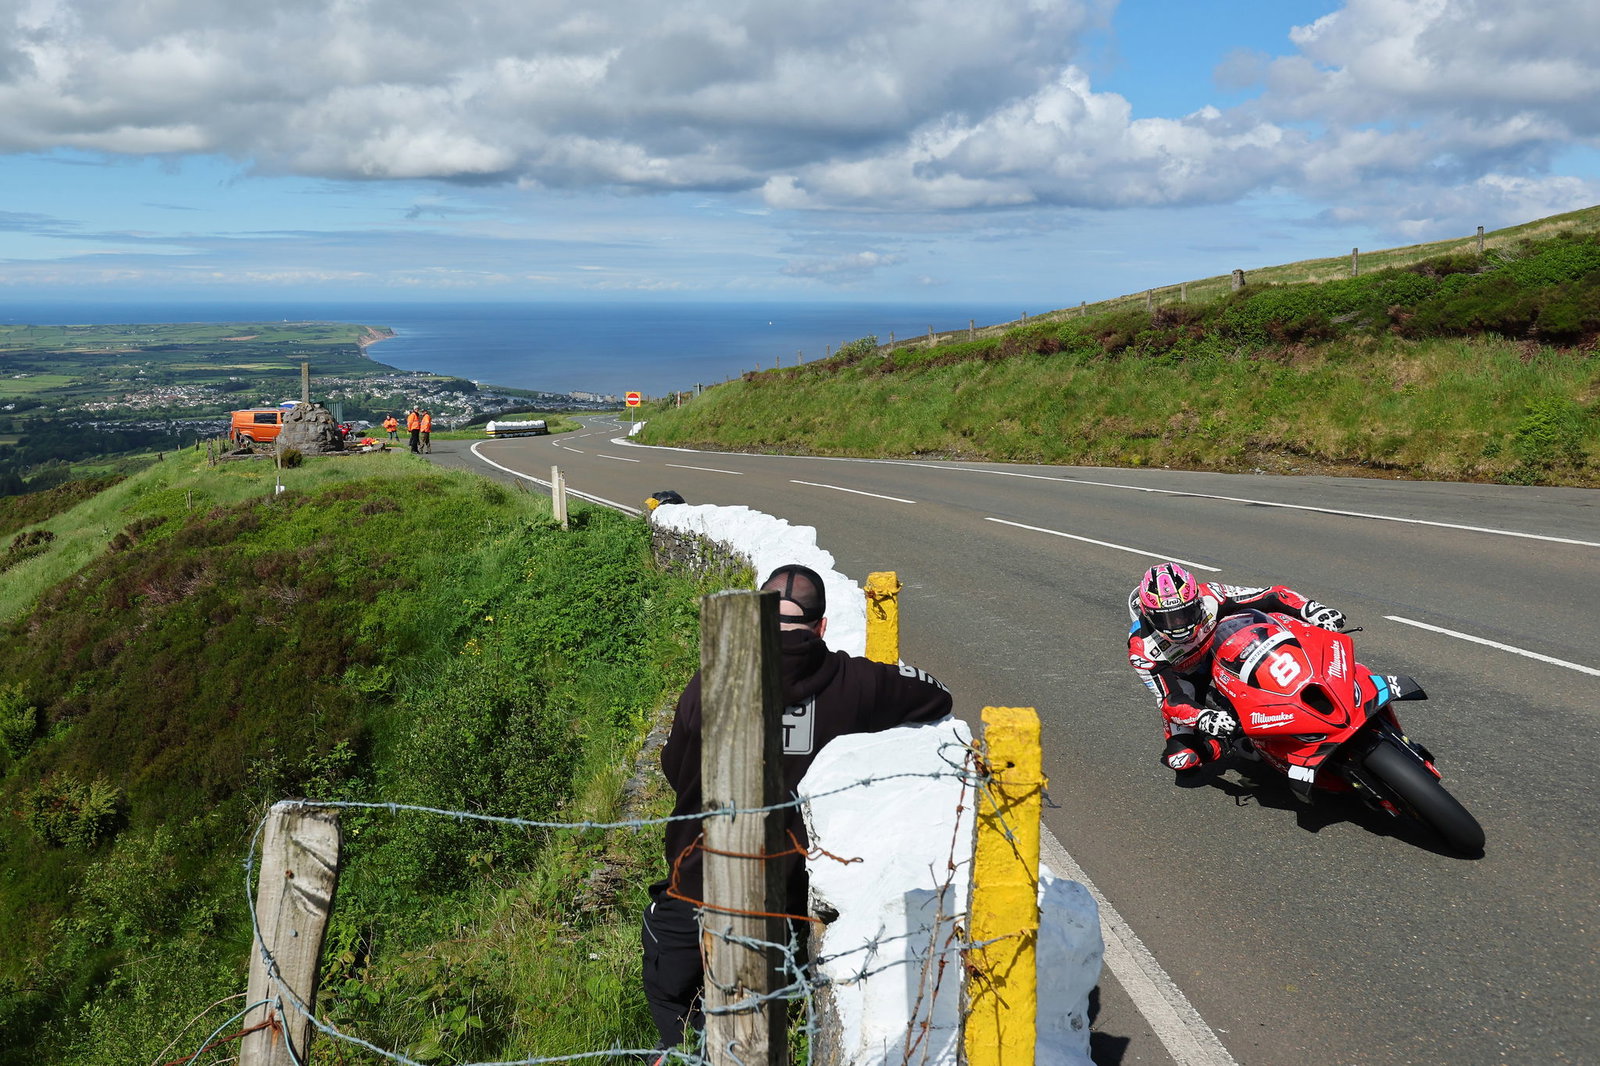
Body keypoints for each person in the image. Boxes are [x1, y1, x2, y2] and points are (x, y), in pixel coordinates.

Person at [641, 564, 952, 1055]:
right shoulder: (856, 684)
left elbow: (675, 769)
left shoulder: (711, 683)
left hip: (697, 885)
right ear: (821, 625)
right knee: (772, 1019)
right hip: (787, 902)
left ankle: (686, 1054)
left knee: (674, 1011)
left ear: (754, 619)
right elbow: (936, 695)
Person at [1127, 561, 1346, 773]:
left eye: (1184, 613)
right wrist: (1203, 717)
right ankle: (1225, 744)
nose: (1179, 625)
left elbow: (1271, 595)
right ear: (1148, 615)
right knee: (1182, 759)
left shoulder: (1212, 595)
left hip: (1225, 649)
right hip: (1185, 679)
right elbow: (1170, 700)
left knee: (1276, 627)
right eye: (1168, 619)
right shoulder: (1142, 649)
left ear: (1196, 601)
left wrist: (1310, 608)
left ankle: (1325, 680)